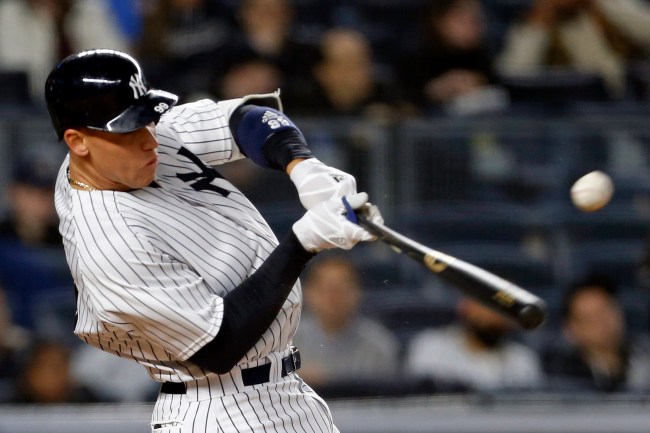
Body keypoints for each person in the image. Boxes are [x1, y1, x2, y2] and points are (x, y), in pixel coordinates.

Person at [44, 49, 382, 432]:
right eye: (130, 129)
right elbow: (220, 348)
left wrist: (304, 168)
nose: (150, 139)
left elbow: (248, 118)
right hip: (217, 410)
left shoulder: (131, 148)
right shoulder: (107, 243)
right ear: (78, 141)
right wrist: (303, 243)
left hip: (284, 392)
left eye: (148, 119)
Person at [291, 253, 401, 397]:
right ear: (308, 292)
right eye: (326, 288)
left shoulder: (379, 346)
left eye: (342, 288)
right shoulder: (287, 341)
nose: (334, 297)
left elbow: (387, 400)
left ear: (357, 292)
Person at [497, 0, 650, 99]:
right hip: (566, 113)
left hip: (623, 103)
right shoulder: (535, 23)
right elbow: (514, 74)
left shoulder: (609, 9)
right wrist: (539, 22)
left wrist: (604, 7)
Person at [404, 296, 544, 392]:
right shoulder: (430, 348)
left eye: (506, 304)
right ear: (464, 305)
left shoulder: (523, 361)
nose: (496, 310)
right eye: (489, 301)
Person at [395, 0, 508, 116]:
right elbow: (404, 101)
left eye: (477, 19)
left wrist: (479, 83)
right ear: (440, 22)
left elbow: (500, 90)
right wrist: (436, 90)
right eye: (462, 20)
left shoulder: (481, 55)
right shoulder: (415, 56)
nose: (473, 26)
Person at [0, 0, 129, 102]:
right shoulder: (10, 14)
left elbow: (120, 70)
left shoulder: (88, 11)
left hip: (89, 110)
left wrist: (74, 24)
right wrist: (48, 27)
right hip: (32, 115)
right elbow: (19, 79)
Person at [542, 274, 650, 392]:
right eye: (590, 318)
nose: (603, 323)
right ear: (570, 328)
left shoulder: (644, 357)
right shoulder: (559, 375)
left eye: (607, 311)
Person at [11, 339, 102, 404]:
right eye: (47, 367)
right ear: (29, 373)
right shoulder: (11, 406)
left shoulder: (88, 403)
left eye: (59, 366)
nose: (50, 376)